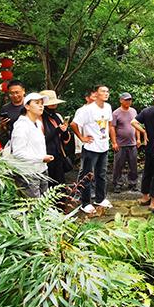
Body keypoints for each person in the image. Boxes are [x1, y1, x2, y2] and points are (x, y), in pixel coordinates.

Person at [71, 84, 115, 213]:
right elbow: (74, 124)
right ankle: (85, 203)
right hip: (91, 148)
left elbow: (109, 124)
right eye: (103, 91)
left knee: (101, 174)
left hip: (103, 146)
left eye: (107, 91)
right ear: (95, 94)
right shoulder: (87, 110)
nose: (106, 93)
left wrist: (112, 140)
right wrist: (82, 137)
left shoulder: (108, 107)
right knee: (87, 176)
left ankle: (100, 199)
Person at [9, 92, 53, 198]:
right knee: (34, 205)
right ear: (27, 106)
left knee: (44, 203)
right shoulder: (21, 126)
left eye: (42, 103)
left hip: (41, 170)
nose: (41, 106)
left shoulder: (38, 123)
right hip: (28, 173)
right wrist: (41, 158)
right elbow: (18, 153)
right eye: (37, 103)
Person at [40, 89, 71, 187]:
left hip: (58, 155)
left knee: (59, 184)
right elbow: (41, 140)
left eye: (54, 103)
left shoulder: (57, 116)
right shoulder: (39, 118)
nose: (53, 105)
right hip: (45, 156)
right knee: (47, 185)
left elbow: (65, 139)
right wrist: (56, 130)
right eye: (50, 103)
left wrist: (64, 131)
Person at [111, 92, 140, 192]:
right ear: (121, 100)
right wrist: (114, 142)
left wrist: (138, 139)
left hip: (132, 143)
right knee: (118, 165)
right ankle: (117, 184)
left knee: (133, 165)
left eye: (130, 100)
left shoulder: (133, 111)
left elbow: (137, 125)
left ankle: (133, 183)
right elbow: (112, 128)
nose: (128, 101)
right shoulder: (116, 113)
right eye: (126, 100)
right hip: (120, 144)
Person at [0, 79, 26, 145]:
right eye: (12, 93)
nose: (15, 95)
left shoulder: (31, 105)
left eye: (17, 92)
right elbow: (2, 130)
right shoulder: (5, 108)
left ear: (23, 91)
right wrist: (3, 126)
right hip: (14, 141)